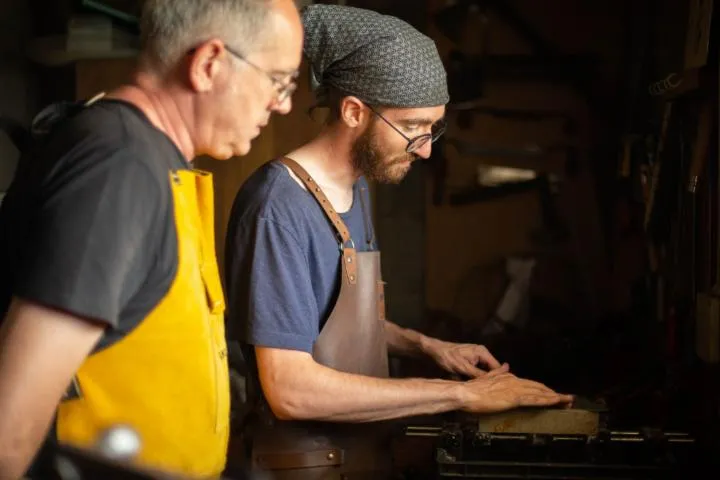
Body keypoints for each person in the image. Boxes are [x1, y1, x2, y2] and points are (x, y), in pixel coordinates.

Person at [224, 4, 573, 479]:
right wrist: (460, 394)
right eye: (411, 127)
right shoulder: (278, 208)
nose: (426, 148)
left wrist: (427, 346)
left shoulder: (358, 186)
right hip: (303, 467)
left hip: (363, 458)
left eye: (433, 128)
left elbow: (329, 322)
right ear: (353, 111)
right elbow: (290, 389)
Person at [0, 0, 302, 478]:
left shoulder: (153, 160)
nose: (283, 102)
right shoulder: (118, 168)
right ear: (209, 64)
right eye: (279, 80)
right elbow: (8, 431)